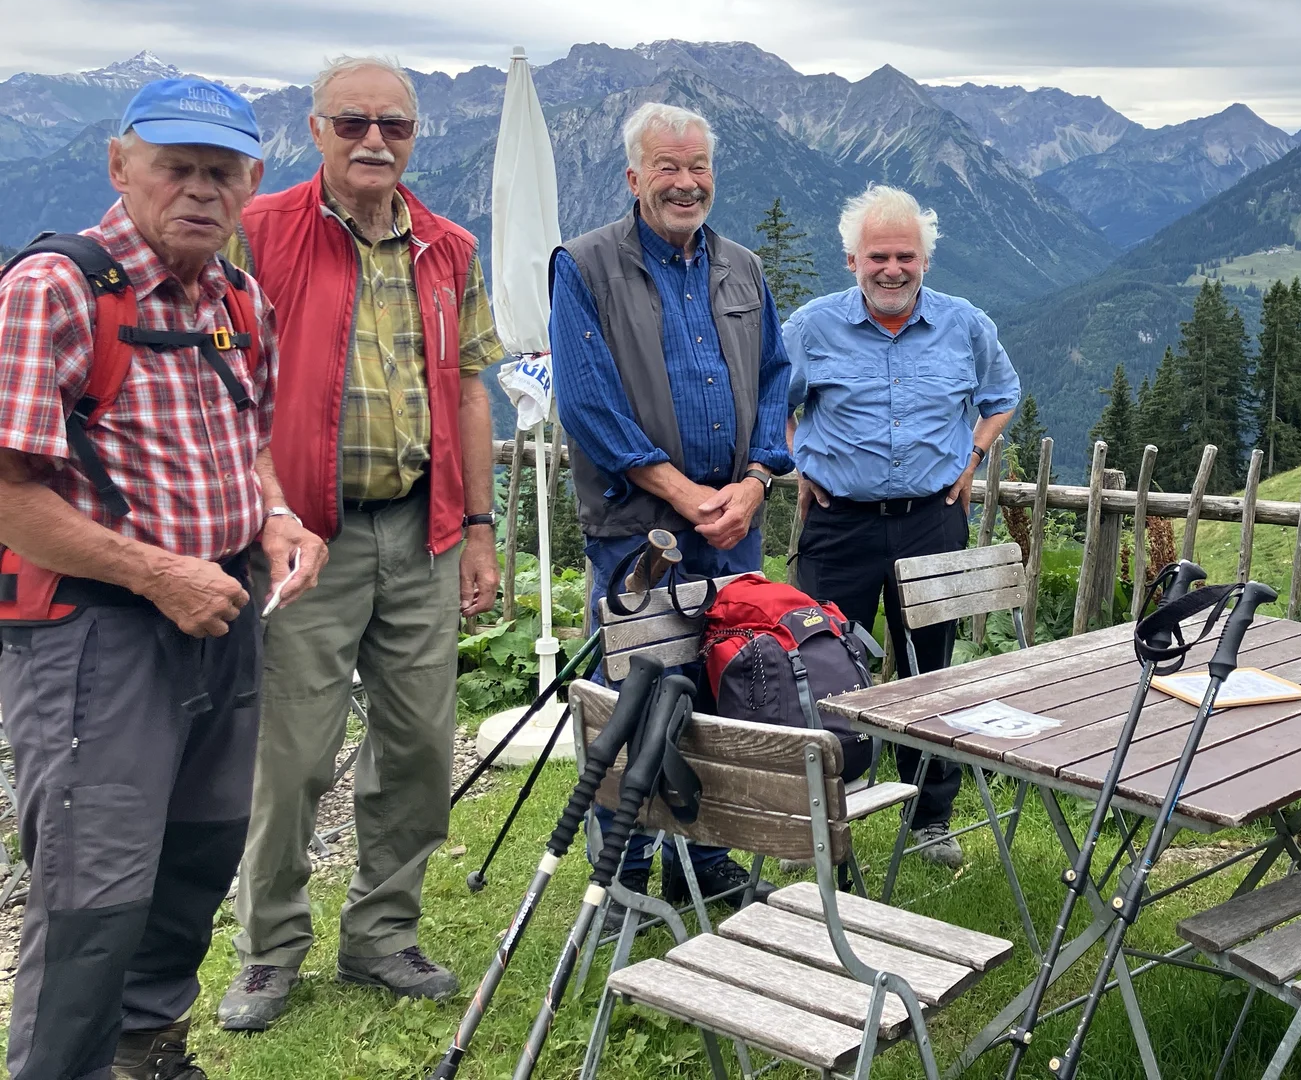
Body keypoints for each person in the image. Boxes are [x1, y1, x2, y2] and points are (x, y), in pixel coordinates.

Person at [0, 77, 325, 1080]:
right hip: (97, 632)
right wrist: (155, 575)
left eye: (220, 172)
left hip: (223, 614)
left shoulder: (234, 296)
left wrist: (274, 517)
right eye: (174, 168)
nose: (198, 190)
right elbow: (8, 493)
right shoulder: (54, 290)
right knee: (94, 885)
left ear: (252, 180)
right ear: (119, 167)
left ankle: (146, 1049)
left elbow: (247, 442)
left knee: (197, 854)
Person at [218, 57, 506, 1031]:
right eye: (353, 123)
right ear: (315, 129)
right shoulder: (261, 235)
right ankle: (268, 950)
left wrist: (477, 528)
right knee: (293, 755)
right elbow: (226, 389)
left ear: (414, 135)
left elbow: (469, 388)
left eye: (393, 124)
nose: (374, 139)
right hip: (308, 536)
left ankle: (382, 934)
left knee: (420, 744)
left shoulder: (450, 247)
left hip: (421, 529)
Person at [549, 100, 793, 906]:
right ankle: (626, 875)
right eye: (667, 168)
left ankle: (712, 864)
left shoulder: (744, 269)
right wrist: (686, 495)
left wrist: (757, 479)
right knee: (637, 695)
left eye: (698, 169)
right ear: (634, 177)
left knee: (730, 684)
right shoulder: (584, 266)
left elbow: (774, 380)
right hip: (638, 536)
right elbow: (589, 405)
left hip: (734, 530)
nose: (686, 184)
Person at [784, 185, 1021, 868]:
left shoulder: (965, 325)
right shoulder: (812, 327)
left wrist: (972, 455)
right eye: (879, 256)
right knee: (823, 671)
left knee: (930, 672)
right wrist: (799, 458)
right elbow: (773, 401)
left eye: (906, 256)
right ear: (851, 260)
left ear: (925, 261)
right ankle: (824, 823)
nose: (893, 269)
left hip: (931, 522)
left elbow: (1001, 396)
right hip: (839, 525)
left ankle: (930, 820)